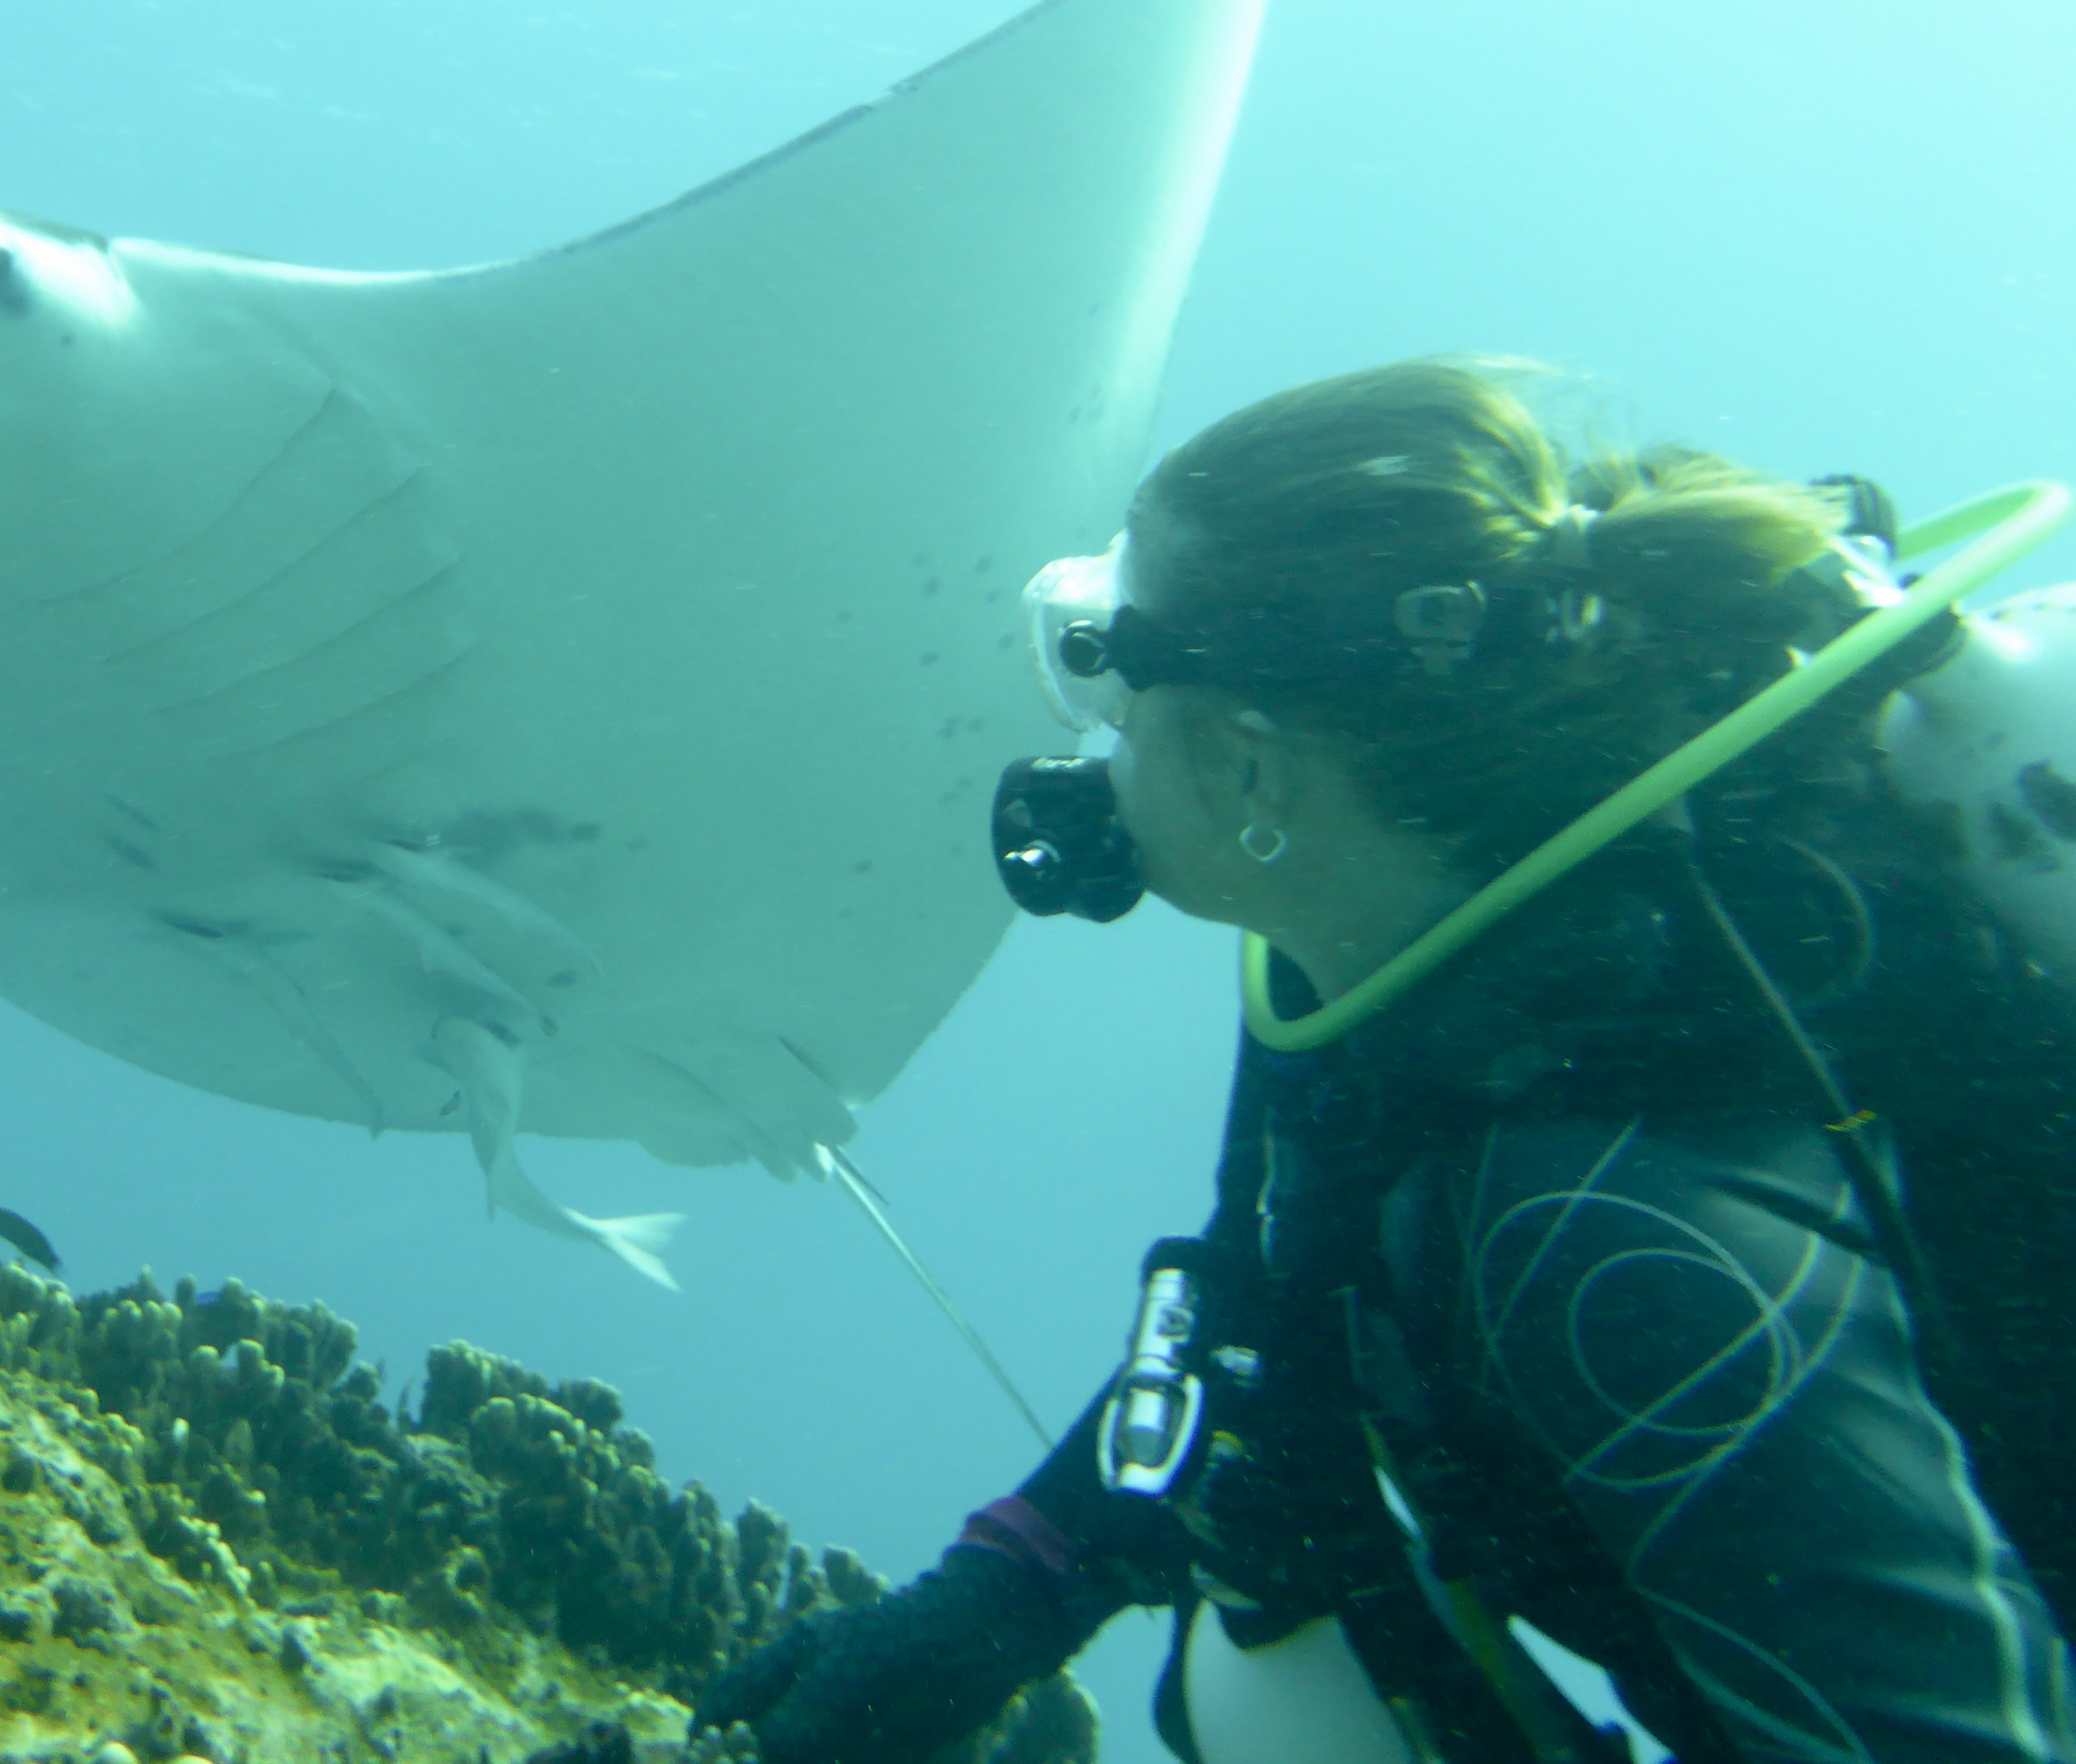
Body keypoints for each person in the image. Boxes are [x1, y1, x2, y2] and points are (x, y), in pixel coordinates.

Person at [693, 359, 2076, 1764]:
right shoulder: (1410, 979)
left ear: (1246, 768)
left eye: (1109, 670)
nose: (1095, 738)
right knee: (1267, 1676)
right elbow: (1274, 1309)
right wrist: (1005, 1591)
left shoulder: (1605, 1244)